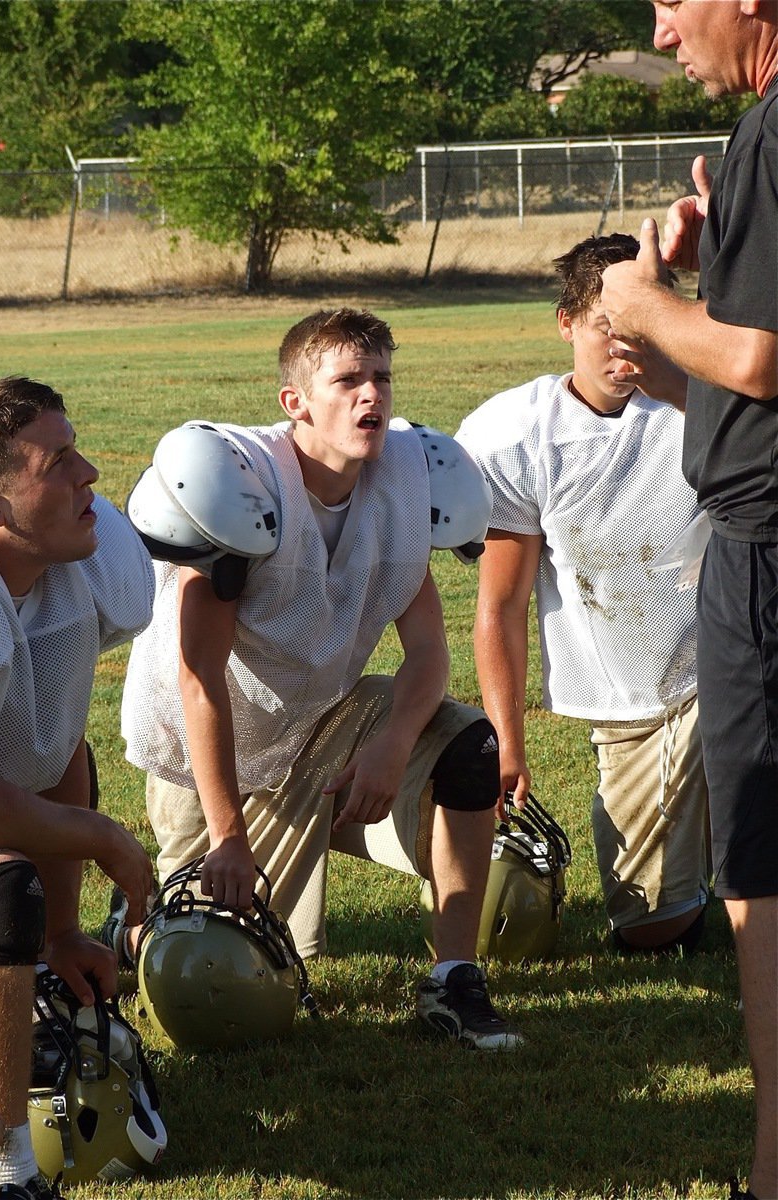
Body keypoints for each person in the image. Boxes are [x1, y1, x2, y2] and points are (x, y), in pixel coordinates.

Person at [118, 306, 520, 1051]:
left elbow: (428, 652)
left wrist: (396, 739)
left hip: (321, 721)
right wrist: (227, 834)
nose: (371, 396)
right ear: (295, 402)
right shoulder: (240, 490)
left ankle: (453, 980)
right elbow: (199, 678)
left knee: (469, 746)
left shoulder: (402, 478)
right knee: (215, 984)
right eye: (347, 381)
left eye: (381, 379)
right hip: (209, 746)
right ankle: (134, 919)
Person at [600, 5, 778, 1198]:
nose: (661, 31)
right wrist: (684, 306)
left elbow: (762, 361)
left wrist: (635, 297)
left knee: (761, 858)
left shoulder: (772, 131)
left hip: (765, 556)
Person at [455, 233, 709, 956]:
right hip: (636, 694)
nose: (627, 349)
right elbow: (499, 607)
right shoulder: (519, 435)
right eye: (608, 327)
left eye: (643, 327)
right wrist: (507, 740)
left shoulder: (705, 397)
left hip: (733, 657)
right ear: (565, 322)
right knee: (655, 927)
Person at [0, 376, 156, 1199]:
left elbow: (51, 748)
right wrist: (108, 839)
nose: (89, 475)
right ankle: (4, 1165)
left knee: (11, 892)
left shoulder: (71, 570)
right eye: (58, 462)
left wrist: (60, 935)